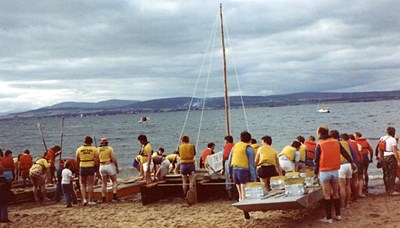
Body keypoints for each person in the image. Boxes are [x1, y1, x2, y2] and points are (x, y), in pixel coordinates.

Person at [314, 126, 356, 224]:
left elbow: (316, 161)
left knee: (327, 195)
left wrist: (316, 173)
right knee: (335, 193)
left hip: (324, 171)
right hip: (335, 171)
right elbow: (345, 153)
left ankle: (328, 218)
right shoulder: (336, 142)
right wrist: (352, 162)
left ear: (319, 133)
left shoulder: (319, 144)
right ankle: (338, 215)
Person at [330, 130, 357, 209]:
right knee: (347, 185)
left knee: (342, 186)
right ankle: (347, 203)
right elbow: (352, 154)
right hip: (349, 164)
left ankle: (342, 205)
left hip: (341, 165)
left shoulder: (334, 144)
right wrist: (354, 164)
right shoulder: (345, 143)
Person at [228, 131, 257, 201]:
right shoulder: (249, 149)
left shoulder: (234, 147)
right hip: (243, 171)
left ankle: (241, 201)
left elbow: (229, 161)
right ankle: (245, 209)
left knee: (240, 194)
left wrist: (230, 173)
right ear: (250, 140)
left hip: (235, 170)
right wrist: (254, 178)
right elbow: (251, 164)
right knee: (244, 193)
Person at [76, 136, 99, 206]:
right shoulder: (94, 149)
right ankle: (90, 200)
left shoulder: (79, 149)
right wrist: (97, 168)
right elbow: (96, 160)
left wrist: (78, 167)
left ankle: (84, 199)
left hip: (82, 166)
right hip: (90, 166)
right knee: (90, 184)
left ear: (84, 141)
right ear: (91, 142)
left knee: (82, 184)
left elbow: (77, 159)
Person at [379, 127, 400, 195]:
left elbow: (380, 149)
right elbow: (394, 150)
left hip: (384, 156)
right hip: (391, 156)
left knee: (386, 173)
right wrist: (398, 161)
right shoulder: (393, 140)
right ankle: (392, 190)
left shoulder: (382, 138)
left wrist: (380, 157)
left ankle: (387, 189)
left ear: (387, 132)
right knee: (392, 173)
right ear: (393, 132)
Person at [98, 137, 119, 202]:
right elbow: (113, 159)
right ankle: (114, 196)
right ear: (107, 142)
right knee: (114, 181)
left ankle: (103, 197)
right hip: (109, 165)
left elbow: (96, 159)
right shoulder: (110, 149)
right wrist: (117, 167)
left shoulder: (97, 149)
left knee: (104, 183)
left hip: (101, 166)